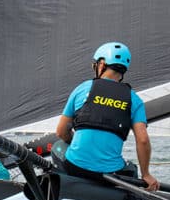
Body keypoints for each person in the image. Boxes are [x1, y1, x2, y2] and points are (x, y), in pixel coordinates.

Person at [54, 42, 159, 191]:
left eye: (94, 65)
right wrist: (146, 174)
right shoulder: (134, 100)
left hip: (75, 167)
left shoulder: (83, 88)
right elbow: (142, 140)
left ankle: (66, 186)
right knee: (131, 169)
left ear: (102, 64)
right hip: (110, 174)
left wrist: (73, 143)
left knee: (58, 146)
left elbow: (60, 131)